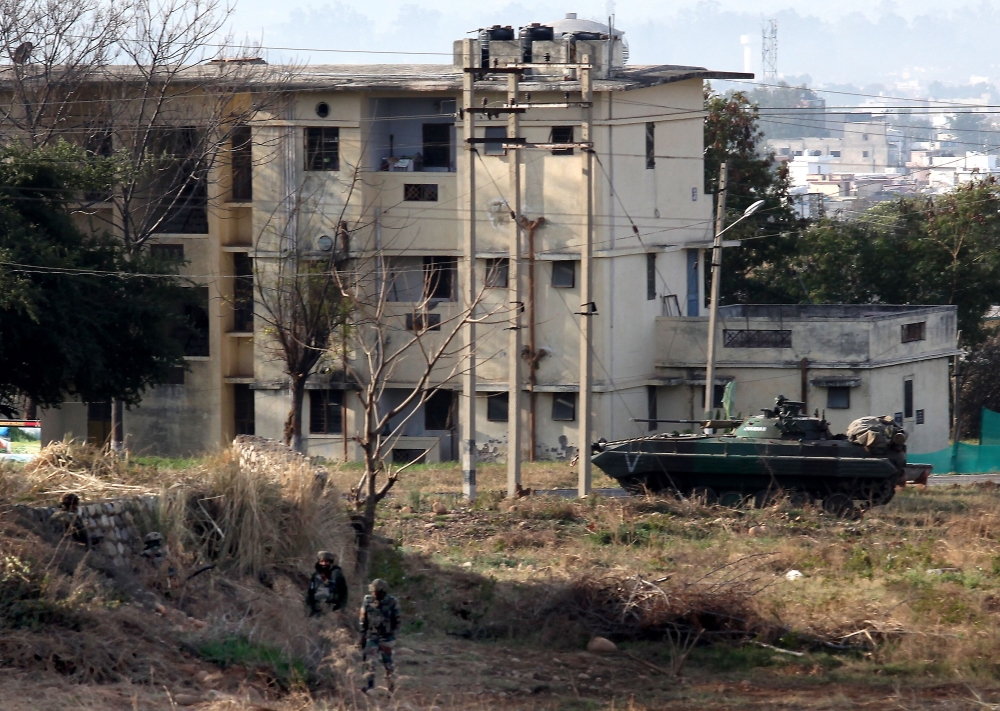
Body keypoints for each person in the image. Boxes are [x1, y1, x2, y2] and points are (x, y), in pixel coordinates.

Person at [359, 578, 400, 694]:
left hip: (387, 637)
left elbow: (397, 620)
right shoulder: (367, 600)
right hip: (372, 635)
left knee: (388, 663)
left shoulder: (392, 601)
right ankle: (370, 686)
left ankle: (391, 689)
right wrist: (363, 634)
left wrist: (394, 636)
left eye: (376, 591)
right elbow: (363, 618)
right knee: (370, 662)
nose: (374, 593)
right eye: (372, 590)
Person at [306, 550, 348, 616]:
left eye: (326, 561)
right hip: (317, 608)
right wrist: (309, 607)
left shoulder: (336, 573)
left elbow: (344, 592)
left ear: (330, 562)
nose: (324, 564)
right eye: (322, 561)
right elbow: (310, 592)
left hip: (332, 608)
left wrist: (341, 608)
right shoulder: (315, 575)